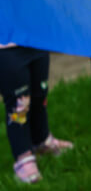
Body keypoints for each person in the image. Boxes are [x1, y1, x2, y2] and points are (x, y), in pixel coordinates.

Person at [0, 43, 73, 183]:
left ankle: (41, 140)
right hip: (6, 47)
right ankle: (23, 156)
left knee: (40, 95)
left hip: (35, 39)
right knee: (19, 105)